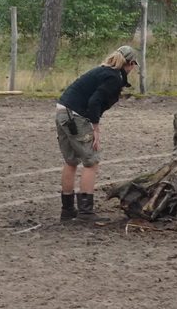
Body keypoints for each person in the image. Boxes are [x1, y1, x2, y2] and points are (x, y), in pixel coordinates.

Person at [55, 45, 138, 222]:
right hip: (75, 116)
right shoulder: (113, 77)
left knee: (71, 162)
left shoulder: (101, 71)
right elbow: (94, 102)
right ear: (130, 63)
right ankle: (85, 212)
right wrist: (95, 128)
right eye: (133, 65)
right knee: (91, 162)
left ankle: (68, 210)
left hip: (62, 112)